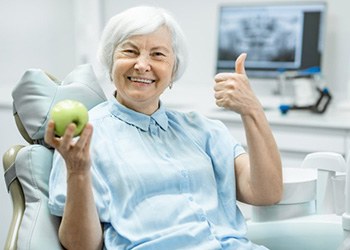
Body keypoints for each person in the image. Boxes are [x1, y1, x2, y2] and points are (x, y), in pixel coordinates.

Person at [45, 5, 283, 250]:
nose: (141, 65)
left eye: (158, 54)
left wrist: (252, 110)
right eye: (130, 51)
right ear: (110, 60)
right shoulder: (84, 139)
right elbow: (80, 246)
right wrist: (78, 172)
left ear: (174, 69)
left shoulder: (203, 130)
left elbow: (266, 193)